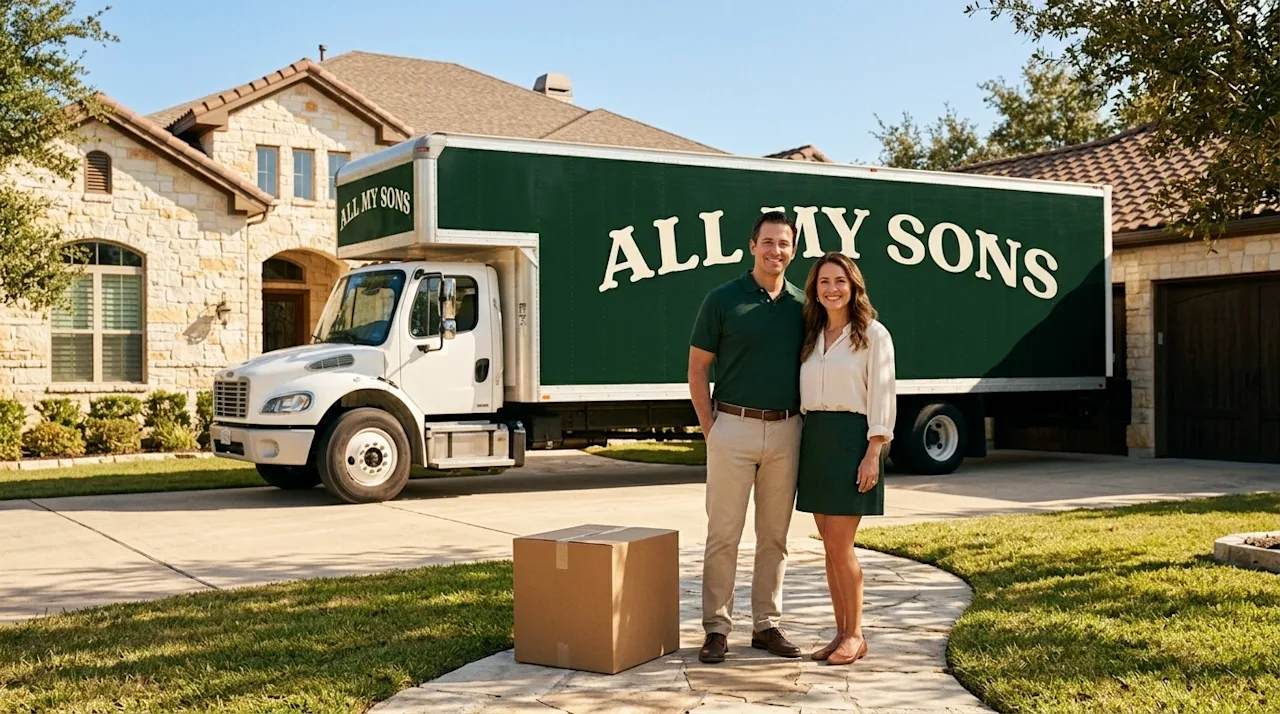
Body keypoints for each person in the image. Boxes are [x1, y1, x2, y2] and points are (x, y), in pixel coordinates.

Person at [687, 211, 806, 665]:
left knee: (775, 536)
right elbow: (698, 367)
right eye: (769, 242)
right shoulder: (722, 299)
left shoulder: (803, 305)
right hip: (731, 427)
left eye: (785, 244)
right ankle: (716, 628)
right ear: (752, 245)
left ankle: (766, 625)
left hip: (786, 429)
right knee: (724, 535)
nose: (777, 251)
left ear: (792, 251)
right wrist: (710, 428)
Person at [795, 251, 896, 666]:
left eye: (840, 281)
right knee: (829, 548)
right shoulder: (811, 335)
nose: (832, 288)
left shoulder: (873, 334)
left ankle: (855, 634)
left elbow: (883, 394)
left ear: (854, 286)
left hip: (852, 440)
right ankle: (840, 634)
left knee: (841, 546)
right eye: (823, 282)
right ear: (814, 291)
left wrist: (874, 451)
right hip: (815, 440)